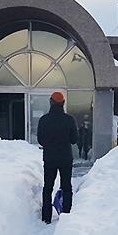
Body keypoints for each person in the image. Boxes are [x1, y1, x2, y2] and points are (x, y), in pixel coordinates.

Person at [37, 91, 78, 224]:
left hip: (49, 158)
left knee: (48, 187)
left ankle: (46, 217)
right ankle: (66, 216)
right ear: (63, 103)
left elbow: (41, 140)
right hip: (65, 158)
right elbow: (74, 140)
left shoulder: (44, 120)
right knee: (66, 186)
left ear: (50, 102)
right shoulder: (69, 120)